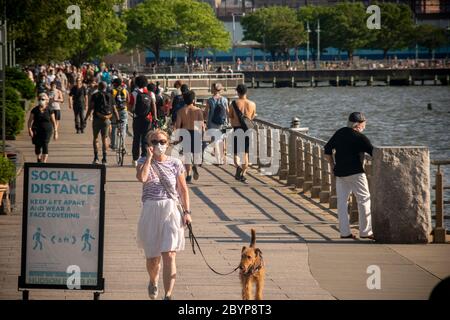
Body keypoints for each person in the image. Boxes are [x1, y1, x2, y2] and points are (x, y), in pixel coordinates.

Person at [136, 129, 192, 300]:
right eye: (154, 142)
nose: (158, 145)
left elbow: (183, 189)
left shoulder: (175, 163)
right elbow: (142, 178)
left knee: (169, 253)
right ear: (148, 145)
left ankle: (168, 295)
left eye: (162, 142)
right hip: (151, 209)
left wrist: (187, 212)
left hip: (171, 209)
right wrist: (149, 158)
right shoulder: (143, 160)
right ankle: (153, 280)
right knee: (153, 258)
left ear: (168, 144)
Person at [324, 112, 374, 240]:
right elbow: (374, 152)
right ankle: (365, 231)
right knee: (364, 200)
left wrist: (332, 165)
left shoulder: (340, 132)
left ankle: (345, 232)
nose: (365, 126)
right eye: (364, 123)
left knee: (342, 202)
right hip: (356, 173)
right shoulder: (360, 138)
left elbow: (327, 150)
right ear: (359, 124)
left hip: (340, 173)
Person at [85, 81, 119, 165]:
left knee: (96, 138)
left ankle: (96, 158)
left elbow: (90, 108)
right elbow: (114, 109)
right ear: (106, 87)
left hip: (97, 119)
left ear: (99, 87)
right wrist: (118, 119)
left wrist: (85, 118)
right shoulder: (110, 96)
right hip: (107, 120)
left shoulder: (94, 95)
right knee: (105, 139)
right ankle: (104, 159)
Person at [175, 90, 204, 183]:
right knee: (196, 153)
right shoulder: (198, 110)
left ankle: (188, 175)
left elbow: (178, 125)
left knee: (187, 155)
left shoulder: (181, 111)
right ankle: (195, 165)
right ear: (193, 100)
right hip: (196, 133)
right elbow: (202, 125)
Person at [228, 84, 256, 183]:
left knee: (235, 152)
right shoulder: (252, 104)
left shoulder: (233, 104)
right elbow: (252, 117)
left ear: (237, 92)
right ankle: (244, 173)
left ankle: (238, 167)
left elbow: (230, 115)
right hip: (247, 130)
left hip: (237, 129)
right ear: (246, 92)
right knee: (246, 153)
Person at [130, 76, 157, 167]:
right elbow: (153, 106)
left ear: (137, 83)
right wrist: (155, 118)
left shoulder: (134, 93)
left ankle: (135, 159)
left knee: (136, 138)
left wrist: (134, 111)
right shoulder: (150, 93)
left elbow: (130, 107)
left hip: (137, 119)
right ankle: (145, 157)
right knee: (146, 139)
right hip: (147, 119)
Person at [27, 93, 58, 163]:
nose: (41, 100)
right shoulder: (34, 110)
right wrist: (29, 130)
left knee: (45, 144)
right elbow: (29, 121)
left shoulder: (50, 109)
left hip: (47, 131)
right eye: (39, 99)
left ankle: (44, 163)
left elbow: (54, 121)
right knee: (37, 146)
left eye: (43, 99)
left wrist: (56, 132)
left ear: (46, 100)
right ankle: (38, 158)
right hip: (36, 130)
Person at [204, 83, 228, 165]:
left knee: (215, 141)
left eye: (211, 88)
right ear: (220, 90)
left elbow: (206, 113)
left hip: (212, 123)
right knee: (221, 140)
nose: (211, 89)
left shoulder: (210, 100)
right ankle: (222, 158)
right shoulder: (225, 100)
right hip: (222, 123)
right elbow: (228, 112)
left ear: (214, 89)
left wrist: (204, 120)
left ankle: (218, 160)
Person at [110, 78, 129, 150]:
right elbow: (128, 100)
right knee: (123, 129)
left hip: (115, 111)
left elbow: (110, 101)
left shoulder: (112, 91)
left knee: (114, 127)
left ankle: (114, 145)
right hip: (124, 110)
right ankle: (122, 145)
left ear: (115, 84)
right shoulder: (125, 91)